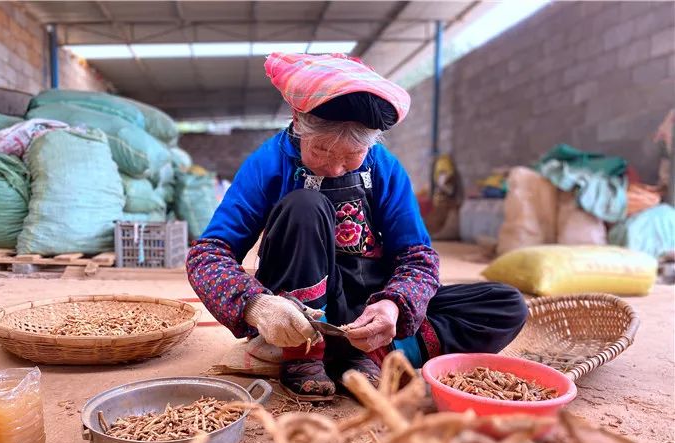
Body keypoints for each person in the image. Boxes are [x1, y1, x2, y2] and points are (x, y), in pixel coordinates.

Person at [187, 53, 528, 401]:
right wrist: (256, 305)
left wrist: (393, 305)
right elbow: (208, 254)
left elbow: (418, 257)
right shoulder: (268, 162)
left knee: (505, 305)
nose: (335, 168)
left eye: (352, 156)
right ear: (298, 122)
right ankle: (304, 356)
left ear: (372, 143)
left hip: (365, 305)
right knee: (304, 204)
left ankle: (368, 351)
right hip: (298, 313)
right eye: (321, 151)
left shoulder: (384, 167)